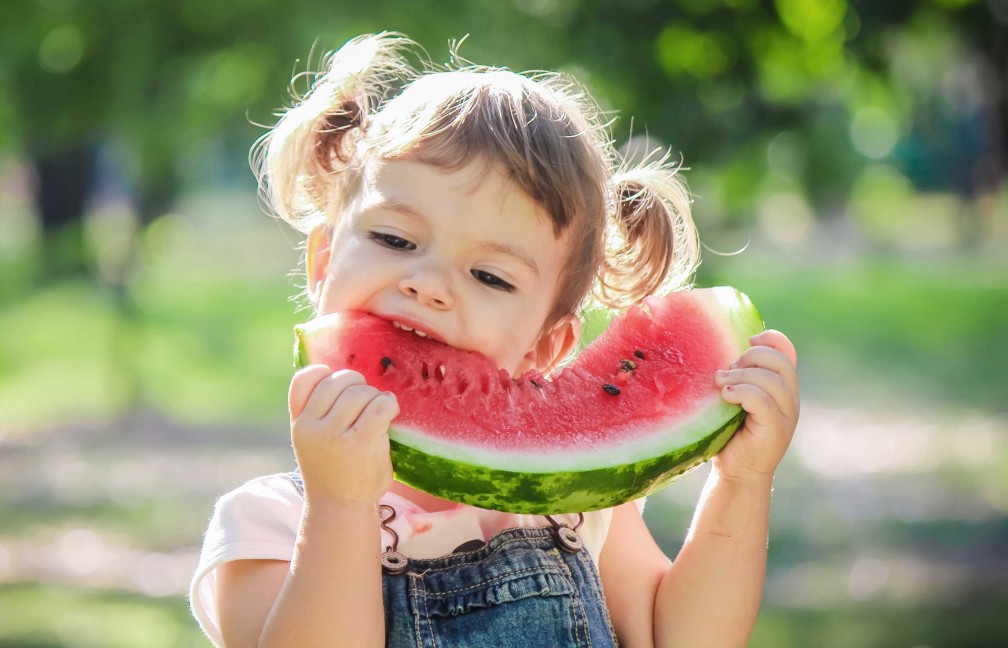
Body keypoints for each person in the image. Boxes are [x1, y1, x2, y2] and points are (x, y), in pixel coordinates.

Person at [190, 32, 800, 648]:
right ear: (323, 261)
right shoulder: (267, 523)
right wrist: (339, 507)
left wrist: (742, 483)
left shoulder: (575, 506)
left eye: (490, 276)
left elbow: (683, 639)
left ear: (545, 348)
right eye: (395, 240)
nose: (429, 285)